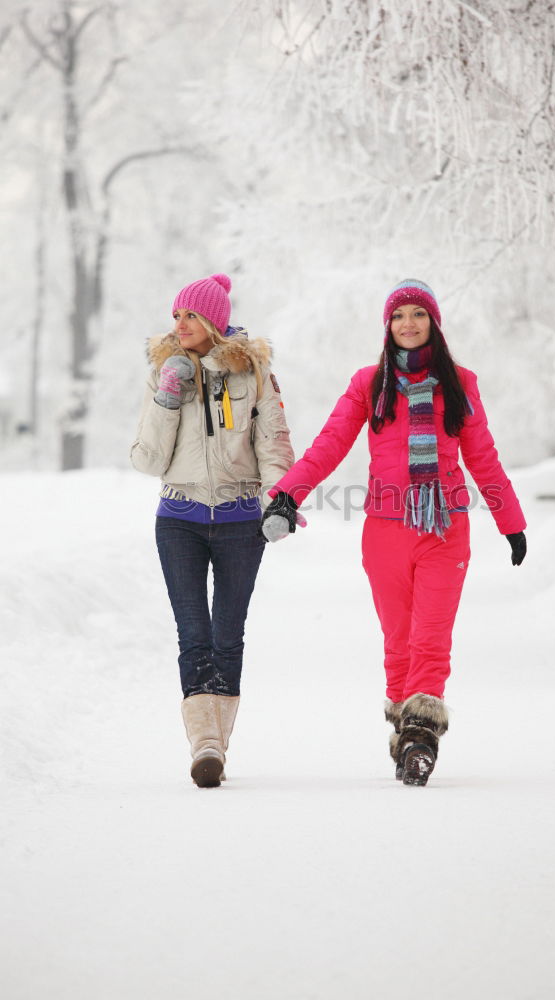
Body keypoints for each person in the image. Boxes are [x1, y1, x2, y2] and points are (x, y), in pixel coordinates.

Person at [260, 279, 526, 786]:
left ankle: (421, 738)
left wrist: (510, 523)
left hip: (445, 528)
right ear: (388, 326)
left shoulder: (460, 384)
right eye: (399, 315)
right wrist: (289, 494)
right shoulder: (369, 383)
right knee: (398, 640)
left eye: (418, 315)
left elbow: (483, 458)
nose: (408, 323)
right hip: (384, 532)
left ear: (433, 323)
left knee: (431, 637)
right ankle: (405, 734)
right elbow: (331, 443)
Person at [131, 273, 294, 788]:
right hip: (178, 519)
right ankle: (204, 744)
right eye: (176, 315)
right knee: (193, 634)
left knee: (228, 634)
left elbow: (273, 443)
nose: (180, 325)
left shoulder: (255, 373)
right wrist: (167, 398)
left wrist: (280, 502)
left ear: (215, 322)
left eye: (191, 316)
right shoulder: (164, 372)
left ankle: (216, 744)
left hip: (241, 520)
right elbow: (148, 459)